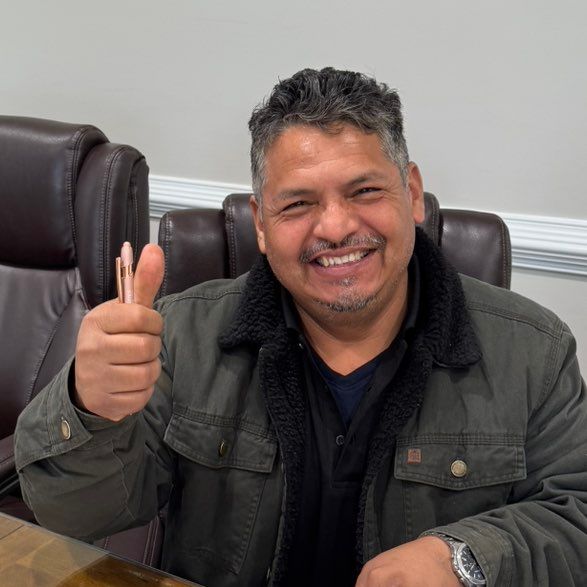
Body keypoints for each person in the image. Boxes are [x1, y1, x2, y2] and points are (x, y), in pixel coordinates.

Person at [14, 67, 587, 587]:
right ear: (261, 225)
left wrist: (464, 559)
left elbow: (576, 516)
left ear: (412, 194)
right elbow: (75, 514)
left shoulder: (534, 351)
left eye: (365, 191)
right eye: (297, 205)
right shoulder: (182, 335)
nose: (335, 228)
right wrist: (88, 405)